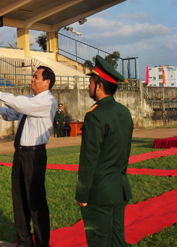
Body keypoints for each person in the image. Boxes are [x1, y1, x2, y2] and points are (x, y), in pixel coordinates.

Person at [0, 66, 57, 247]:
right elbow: (11, 113)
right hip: (20, 155)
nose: (32, 79)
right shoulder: (31, 100)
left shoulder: (47, 101)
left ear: (46, 82)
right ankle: (24, 241)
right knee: (19, 201)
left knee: (35, 202)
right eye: (33, 76)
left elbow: (19, 104)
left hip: (34, 155)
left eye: (36, 77)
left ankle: (42, 243)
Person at [76, 55, 133, 247]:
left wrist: (82, 194)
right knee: (117, 241)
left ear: (99, 86)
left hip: (99, 193)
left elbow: (89, 159)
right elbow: (124, 153)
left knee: (99, 242)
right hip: (119, 189)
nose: (88, 86)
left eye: (90, 82)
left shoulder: (95, 115)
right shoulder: (124, 112)